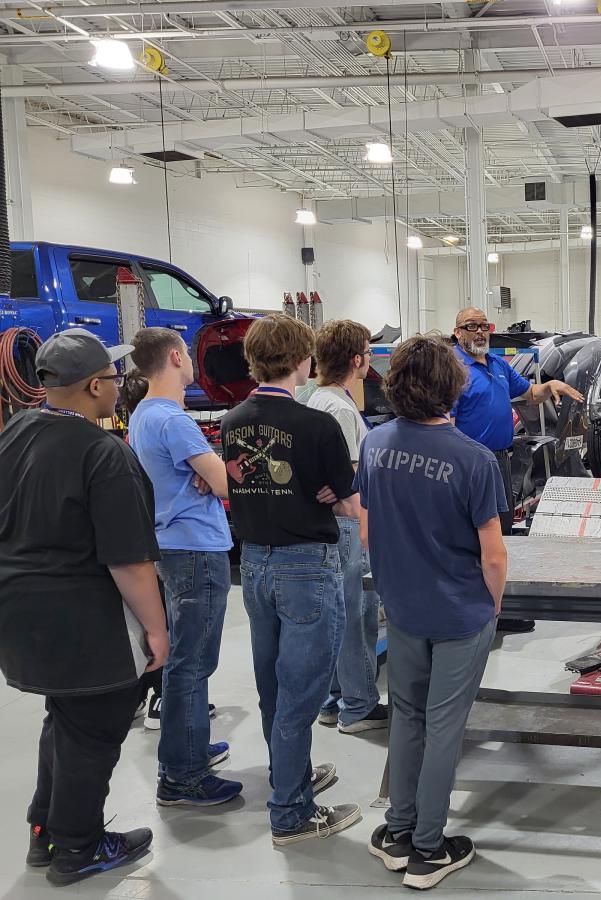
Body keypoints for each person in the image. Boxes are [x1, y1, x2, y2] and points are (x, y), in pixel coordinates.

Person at [0, 329, 166, 886]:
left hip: (22, 615)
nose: (122, 386)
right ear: (95, 385)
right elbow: (130, 562)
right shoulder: (104, 454)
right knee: (95, 729)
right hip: (85, 622)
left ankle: (46, 831)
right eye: (116, 379)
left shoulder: (17, 430)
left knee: (65, 720)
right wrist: (156, 630)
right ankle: (79, 847)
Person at [359, 334, 508, 890]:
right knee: (445, 725)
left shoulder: (375, 444)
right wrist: (489, 609)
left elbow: (369, 528)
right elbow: (492, 553)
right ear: (455, 386)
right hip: (457, 612)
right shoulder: (473, 460)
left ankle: (398, 832)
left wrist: (394, 589)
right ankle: (428, 848)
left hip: (402, 607)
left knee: (408, 716)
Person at [220, 314, 362, 845]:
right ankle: (291, 813)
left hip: (254, 564)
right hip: (306, 566)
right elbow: (347, 505)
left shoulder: (233, 421)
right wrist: (329, 491)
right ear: (303, 361)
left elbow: (237, 482)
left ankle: (291, 778)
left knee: (273, 688)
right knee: (302, 694)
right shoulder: (318, 425)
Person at [127, 328, 242, 807]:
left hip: (171, 548)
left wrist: (208, 469)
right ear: (176, 358)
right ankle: (183, 776)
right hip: (195, 548)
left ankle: (186, 749)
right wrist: (215, 468)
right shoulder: (174, 421)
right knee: (192, 664)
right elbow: (226, 486)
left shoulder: (141, 416)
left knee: (185, 661)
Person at [449, 307, 582, 633]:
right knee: (474, 538)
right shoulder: (452, 369)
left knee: (501, 534)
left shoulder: (496, 365)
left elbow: (529, 393)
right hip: (469, 466)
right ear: (457, 332)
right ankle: (475, 612)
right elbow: (446, 423)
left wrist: (551, 386)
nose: (480, 332)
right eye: (472, 326)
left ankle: (501, 609)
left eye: (484, 326)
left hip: (500, 461)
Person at [304, 320, 388, 735]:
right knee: (357, 612)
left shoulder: (318, 398)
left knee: (339, 613)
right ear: (357, 360)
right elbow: (348, 482)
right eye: (369, 354)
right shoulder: (338, 407)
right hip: (348, 527)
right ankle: (358, 706)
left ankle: (335, 700)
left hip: (332, 526)